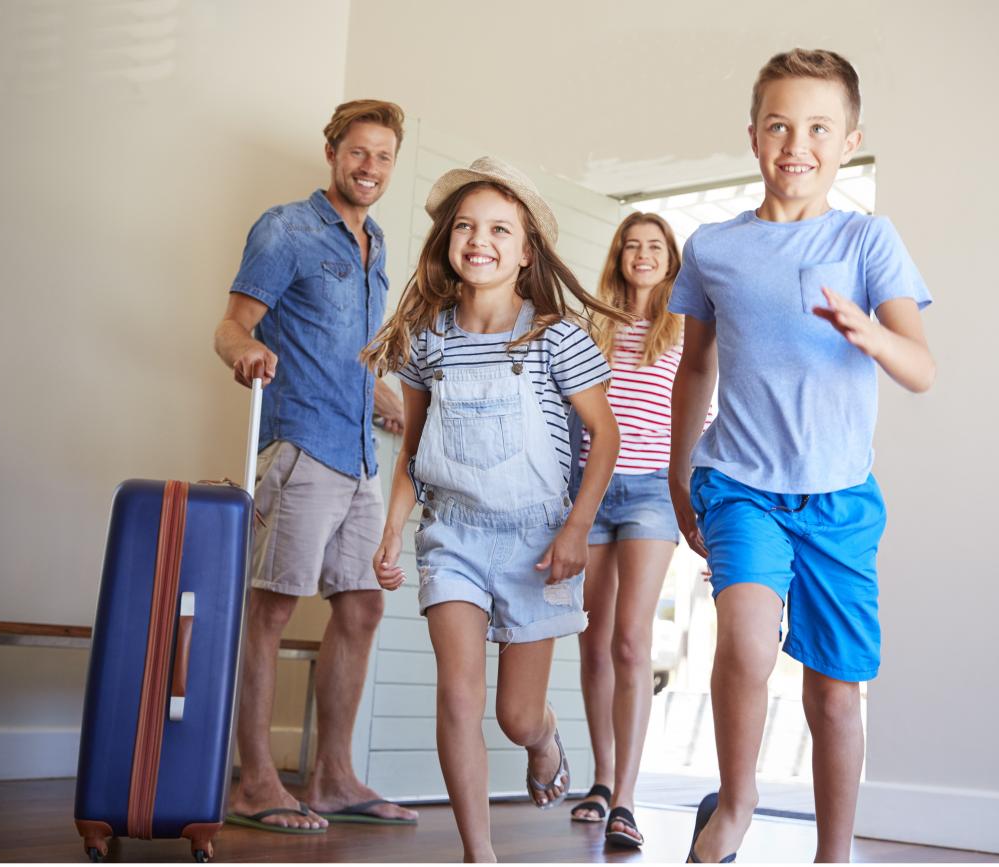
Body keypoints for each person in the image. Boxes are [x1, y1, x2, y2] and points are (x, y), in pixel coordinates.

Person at [667, 49, 936, 863]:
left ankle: (833, 851)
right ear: (753, 137)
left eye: (819, 127)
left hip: (839, 498)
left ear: (848, 140)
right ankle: (737, 804)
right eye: (780, 124)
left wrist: (872, 332)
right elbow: (696, 367)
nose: (797, 142)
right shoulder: (714, 247)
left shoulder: (867, 238)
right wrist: (682, 477)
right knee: (745, 642)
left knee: (834, 689)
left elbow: (921, 366)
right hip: (741, 482)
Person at [361, 157, 626, 863]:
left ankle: (544, 737)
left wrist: (577, 529)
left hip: (539, 541)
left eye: (500, 229)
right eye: (468, 226)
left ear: (526, 250)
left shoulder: (556, 338)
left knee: (512, 715)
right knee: (457, 694)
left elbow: (608, 436)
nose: (481, 239)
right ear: (450, 240)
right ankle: (480, 854)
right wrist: (392, 532)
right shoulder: (429, 339)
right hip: (453, 536)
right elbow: (414, 449)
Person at [213, 99, 417, 833]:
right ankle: (253, 779)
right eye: (358, 152)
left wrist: (385, 394)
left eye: (384, 156)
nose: (370, 167)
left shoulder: (377, 241)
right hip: (299, 447)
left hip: (359, 453)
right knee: (268, 609)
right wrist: (245, 350)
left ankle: (331, 776)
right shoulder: (286, 228)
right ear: (332, 151)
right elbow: (232, 322)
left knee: (361, 605)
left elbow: (350, 347)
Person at [569, 212, 709, 849]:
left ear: (670, 259)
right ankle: (600, 781)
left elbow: (699, 420)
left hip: (653, 490)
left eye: (654, 246)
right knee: (594, 640)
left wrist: (698, 496)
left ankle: (626, 797)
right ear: (619, 257)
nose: (643, 255)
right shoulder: (591, 326)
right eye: (632, 245)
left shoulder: (686, 329)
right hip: (590, 489)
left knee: (631, 640)